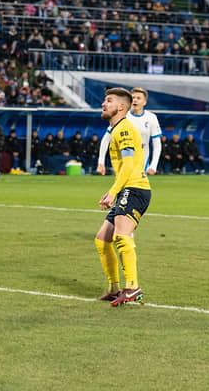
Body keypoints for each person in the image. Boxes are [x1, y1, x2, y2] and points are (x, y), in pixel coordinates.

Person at [94, 88, 151, 307]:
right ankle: (114, 288)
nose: (103, 104)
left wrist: (114, 191)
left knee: (121, 236)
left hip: (134, 188)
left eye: (108, 101)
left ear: (121, 107)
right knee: (102, 240)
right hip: (127, 188)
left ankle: (133, 287)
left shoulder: (124, 129)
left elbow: (128, 165)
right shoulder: (116, 129)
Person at [97, 87, 161, 176]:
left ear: (144, 102)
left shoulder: (151, 117)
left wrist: (153, 165)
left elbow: (157, 144)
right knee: (126, 184)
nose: (135, 100)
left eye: (138, 98)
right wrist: (101, 162)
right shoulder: (122, 115)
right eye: (133, 98)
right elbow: (106, 138)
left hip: (142, 157)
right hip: (123, 156)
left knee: (135, 185)